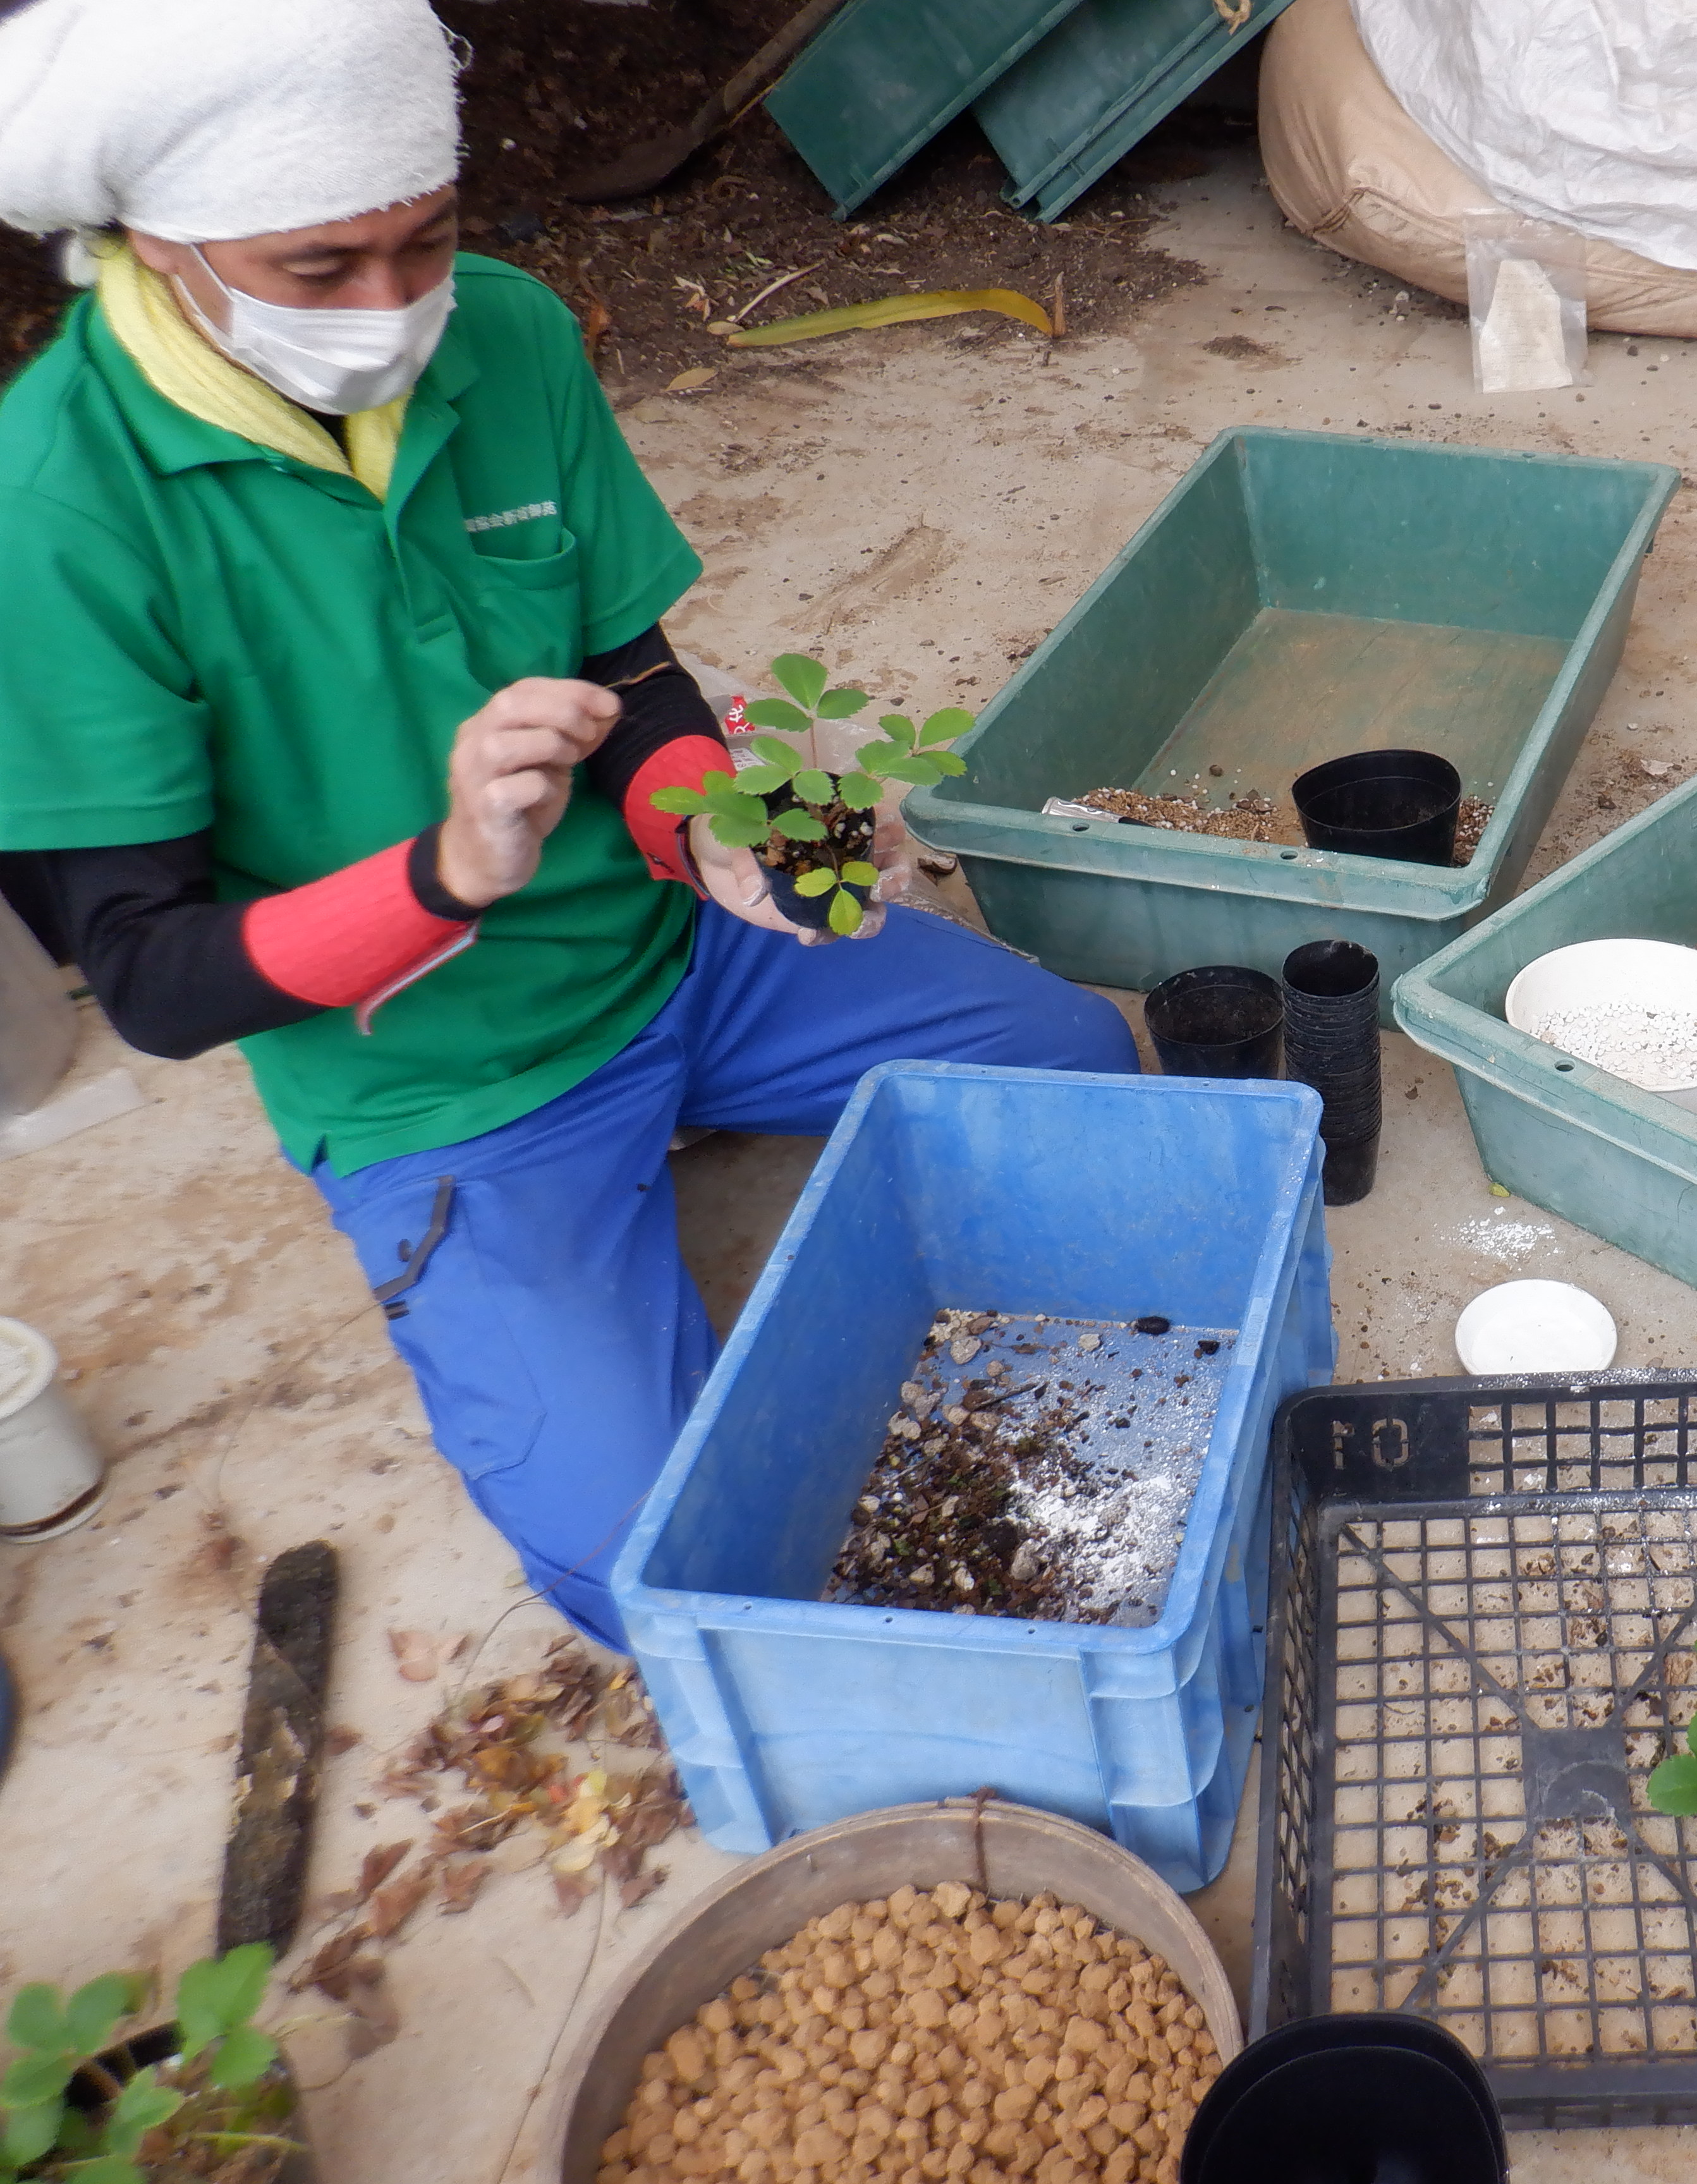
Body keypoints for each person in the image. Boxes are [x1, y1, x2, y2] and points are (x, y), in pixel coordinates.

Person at [0, 0, 1137, 1648]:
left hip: (674, 956)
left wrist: (754, 838)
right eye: (322, 269)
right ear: (156, 240)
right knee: (653, 1572)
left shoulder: (509, 333)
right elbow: (154, 979)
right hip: (442, 1081)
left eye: (427, 238)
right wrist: (449, 872)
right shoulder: (53, 507)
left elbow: (636, 679)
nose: (393, 306)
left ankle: (677, 1104)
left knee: (1084, 1072)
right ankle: (590, 1182)